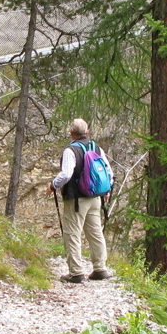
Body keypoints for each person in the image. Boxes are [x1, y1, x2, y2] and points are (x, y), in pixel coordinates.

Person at [45, 118, 114, 283]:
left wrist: (53, 185)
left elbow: (66, 174)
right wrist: (108, 189)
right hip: (95, 197)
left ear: (71, 133)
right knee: (95, 232)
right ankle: (100, 269)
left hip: (76, 200)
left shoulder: (71, 150)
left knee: (72, 233)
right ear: (87, 132)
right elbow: (108, 171)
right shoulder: (96, 147)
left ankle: (76, 273)